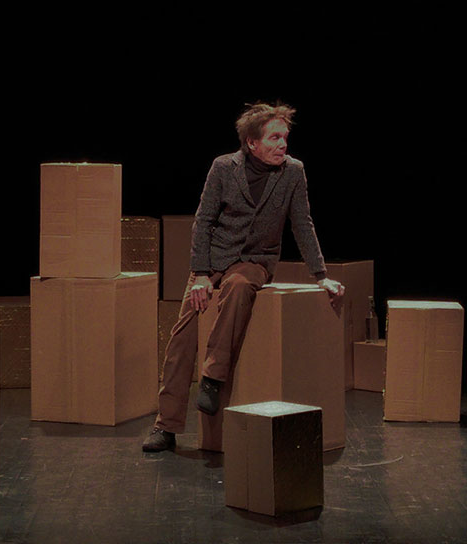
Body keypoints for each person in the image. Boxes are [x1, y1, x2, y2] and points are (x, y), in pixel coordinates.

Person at [142, 101, 344, 452]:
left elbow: (302, 223)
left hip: (255, 261)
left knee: (237, 286)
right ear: (252, 142)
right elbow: (204, 221)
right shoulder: (224, 167)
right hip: (213, 262)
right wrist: (201, 274)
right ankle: (166, 426)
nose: (283, 144)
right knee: (182, 339)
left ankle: (212, 377)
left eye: (285, 137)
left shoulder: (293, 172)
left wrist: (320, 274)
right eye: (274, 138)